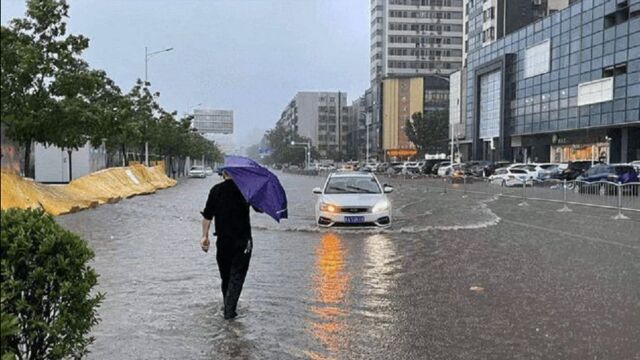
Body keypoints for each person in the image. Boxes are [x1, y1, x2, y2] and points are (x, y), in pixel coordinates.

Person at [200, 171, 258, 320]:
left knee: (226, 277)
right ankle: (229, 313)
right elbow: (260, 208)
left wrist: (204, 237)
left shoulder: (216, 190)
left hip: (223, 241)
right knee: (237, 277)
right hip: (243, 241)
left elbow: (207, 216)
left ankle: (227, 307)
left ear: (224, 174)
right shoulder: (247, 189)